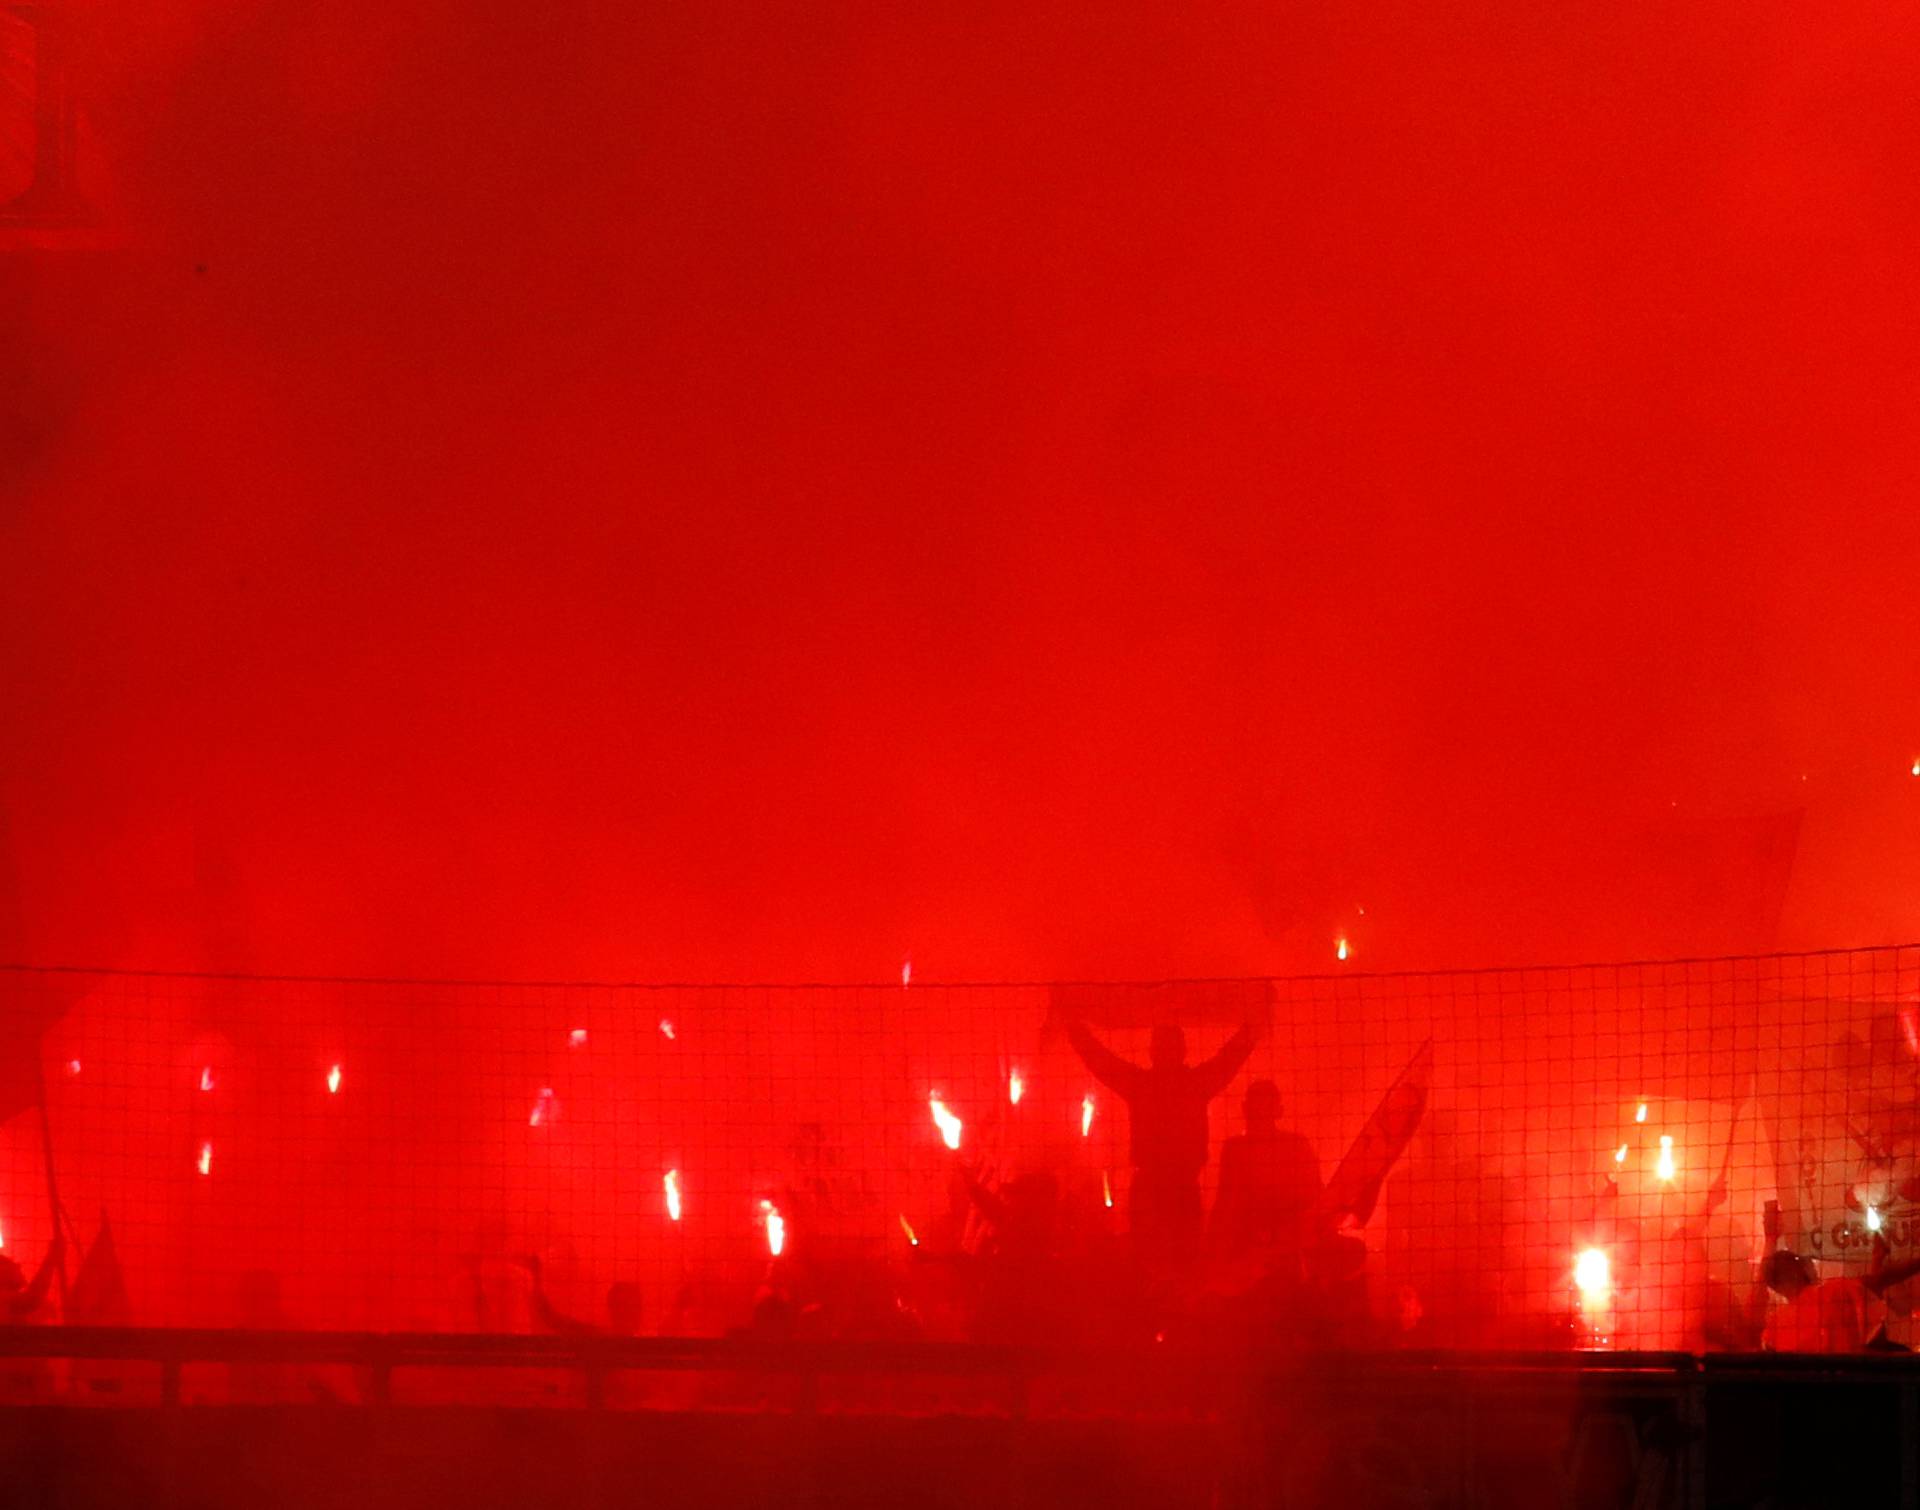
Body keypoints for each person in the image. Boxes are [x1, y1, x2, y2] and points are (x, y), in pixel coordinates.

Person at [1063, 1009, 1258, 1266]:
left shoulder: (1146, 1085)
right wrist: (1253, 1026)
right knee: (1170, 1262)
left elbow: (1101, 1061)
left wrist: (1073, 1027)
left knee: (1159, 1262)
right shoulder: (1191, 1084)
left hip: (1164, 1189)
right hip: (1172, 1189)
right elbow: (1229, 1059)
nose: (1164, 1052)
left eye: (1167, 1046)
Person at [1210, 1079, 1322, 1263]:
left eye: (1265, 1109)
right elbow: (1226, 1201)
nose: (1260, 1115)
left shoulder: (1295, 1145)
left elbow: (1313, 1194)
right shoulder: (1235, 1148)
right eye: (1257, 1108)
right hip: (1250, 1242)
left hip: (1285, 1239)